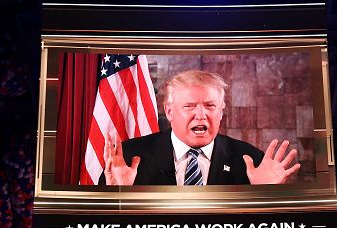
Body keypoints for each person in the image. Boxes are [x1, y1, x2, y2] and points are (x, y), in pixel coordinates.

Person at [103, 70, 301, 185]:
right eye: (189, 106)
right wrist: (117, 197)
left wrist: (265, 196)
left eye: (210, 105)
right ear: (170, 112)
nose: (201, 114)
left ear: (221, 112)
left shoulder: (251, 161)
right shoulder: (129, 156)